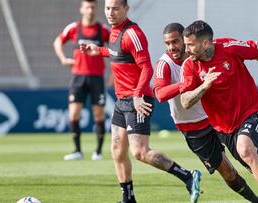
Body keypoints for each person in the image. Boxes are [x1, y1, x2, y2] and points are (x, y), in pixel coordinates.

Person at [80, 1, 201, 202]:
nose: (110, 12)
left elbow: (147, 68)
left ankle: (188, 177)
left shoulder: (132, 33)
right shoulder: (114, 32)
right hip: (122, 99)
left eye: (116, 8)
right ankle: (128, 199)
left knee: (140, 152)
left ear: (126, 9)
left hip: (138, 98)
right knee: (117, 151)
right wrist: (98, 50)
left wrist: (137, 95)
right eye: (108, 8)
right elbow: (117, 53)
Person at [179, 20, 258, 203]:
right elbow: (185, 101)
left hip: (251, 113)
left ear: (206, 43)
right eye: (186, 45)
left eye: (190, 45)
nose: (187, 49)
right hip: (225, 130)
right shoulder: (189, 66)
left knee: (245, 148)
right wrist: (204, 86)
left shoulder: (229, 47)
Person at [154, 22, 258, 203]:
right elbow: (159, 93)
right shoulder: (164, 64)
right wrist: (188, 84)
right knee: (227, 172)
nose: (172, 47)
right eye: (167, 43)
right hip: (192, 126)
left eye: (175, 42)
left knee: (251, 158)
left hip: (217, 118)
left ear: (186, 39)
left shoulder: (201, 55)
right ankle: (256, 201)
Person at [53, 0, 110, 161]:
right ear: (81, 9)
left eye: (93, 7)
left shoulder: (103, 30)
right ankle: (77, 150)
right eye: (87, 7)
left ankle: (98, 152)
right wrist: (63, 59)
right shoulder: (74, 28)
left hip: (97, 77)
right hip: (78, 77)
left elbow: (115, 50)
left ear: (96, 9)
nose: (90, 10)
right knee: (74, 112)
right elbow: (58, 41)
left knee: (98, 114)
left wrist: (113, 73)